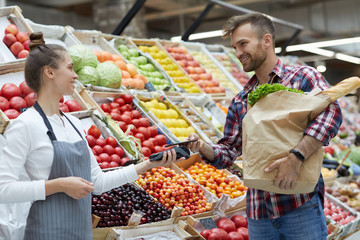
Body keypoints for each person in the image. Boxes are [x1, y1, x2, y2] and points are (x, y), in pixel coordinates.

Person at [0, 32, 184, 240]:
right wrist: (59, 185)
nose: (76, 74)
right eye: (70, 68)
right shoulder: (24, 125)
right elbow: (4, 189)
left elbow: (96, 182)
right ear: (49, 73)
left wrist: (147, 165)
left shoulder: (74, 124)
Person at [186, 13, 342, 240]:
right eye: (235, 47)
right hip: (258, 213)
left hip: (299, 206)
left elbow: (332, 113)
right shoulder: (241, 100)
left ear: (266, 41)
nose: (238, 53)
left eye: (243, 44)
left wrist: (296, 157)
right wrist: (203, 146)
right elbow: (229, 151)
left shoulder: (302, 78)